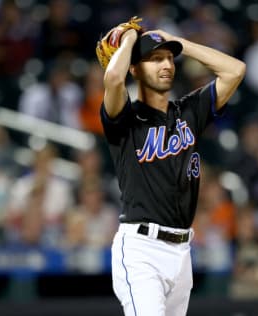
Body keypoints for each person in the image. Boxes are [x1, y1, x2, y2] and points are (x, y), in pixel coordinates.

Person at [99, 23, 246, 316]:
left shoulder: (188, 111)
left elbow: (235, 70)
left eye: (169, 58)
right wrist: (129, 38)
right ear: (135, 69)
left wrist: (179, 42)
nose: (166, 65)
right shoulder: (126, 119)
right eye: (155, 59)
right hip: (142, 249)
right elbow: (113, 78)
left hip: (182, 251)